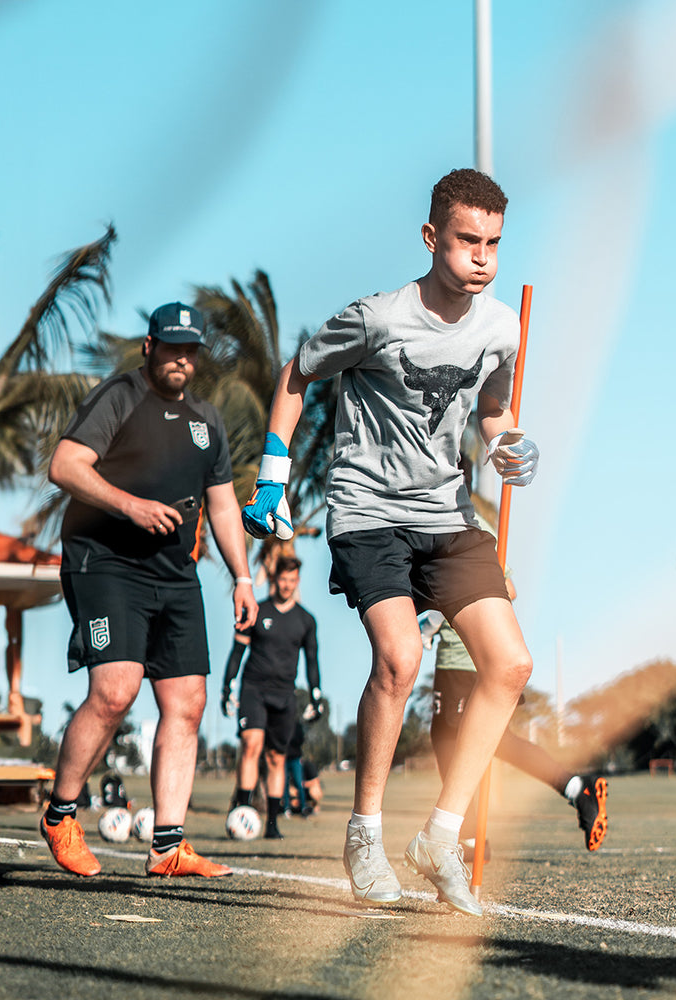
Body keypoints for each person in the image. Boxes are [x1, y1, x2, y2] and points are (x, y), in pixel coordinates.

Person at [242, 168, 539, 916]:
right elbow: (297, 373)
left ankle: (439, 837)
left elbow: (494, 409)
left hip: (446, 514)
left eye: (494, 244)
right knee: (401, 659)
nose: (482, 258)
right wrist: (273, 474)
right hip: (368, 510)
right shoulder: (377, 318)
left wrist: (508, 445)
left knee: (510, 665)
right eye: (467, 241)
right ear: (432, 237)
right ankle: (364, 833)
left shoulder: (502, 328)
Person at [41, 301, 259, 878]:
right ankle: (60, 816)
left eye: (190, 351)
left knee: (187, 702)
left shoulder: (207, 421)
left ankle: (168, 846)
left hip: (175, 574)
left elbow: (223, 506)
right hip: (105, 563)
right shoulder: (120, 396)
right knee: (116, 691)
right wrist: (129, 505)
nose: (180, 359)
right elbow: (65, 465)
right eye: (171, 348)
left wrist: (242, 577)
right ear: (149, 347)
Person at [423, 458, 608, 859]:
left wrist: (439, 613)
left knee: (457, 740)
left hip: (467, 658)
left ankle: (470, 838)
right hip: (455, 658)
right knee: (486, 741)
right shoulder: (441, 521)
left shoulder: (466, 526)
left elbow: (505, 588)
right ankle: (575, 788)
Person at [221, 554, 321, 839]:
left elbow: (312, 661)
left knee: (277, 757)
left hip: (285, 694)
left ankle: (273, 824)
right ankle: (242, 811)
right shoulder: (256, 611)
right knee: (251, 745)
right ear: (275, 579)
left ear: (297, 581)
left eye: (292, 580)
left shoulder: (306, 620)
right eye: (283, 579)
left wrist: (316, 694)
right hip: (253, 688)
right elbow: (237, 651)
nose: (287, 585)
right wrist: (227, 686)